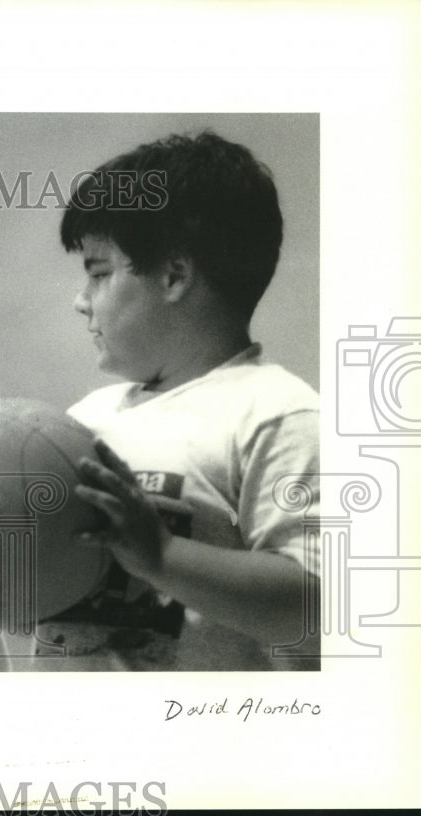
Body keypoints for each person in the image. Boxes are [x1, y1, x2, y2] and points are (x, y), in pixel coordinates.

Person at [61, 132, 320, 670]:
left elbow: (315, 607)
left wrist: (163, 555)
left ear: (174, 276)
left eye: (98, 272)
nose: (80, 301)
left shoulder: (276, 414)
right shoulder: (82, 421)